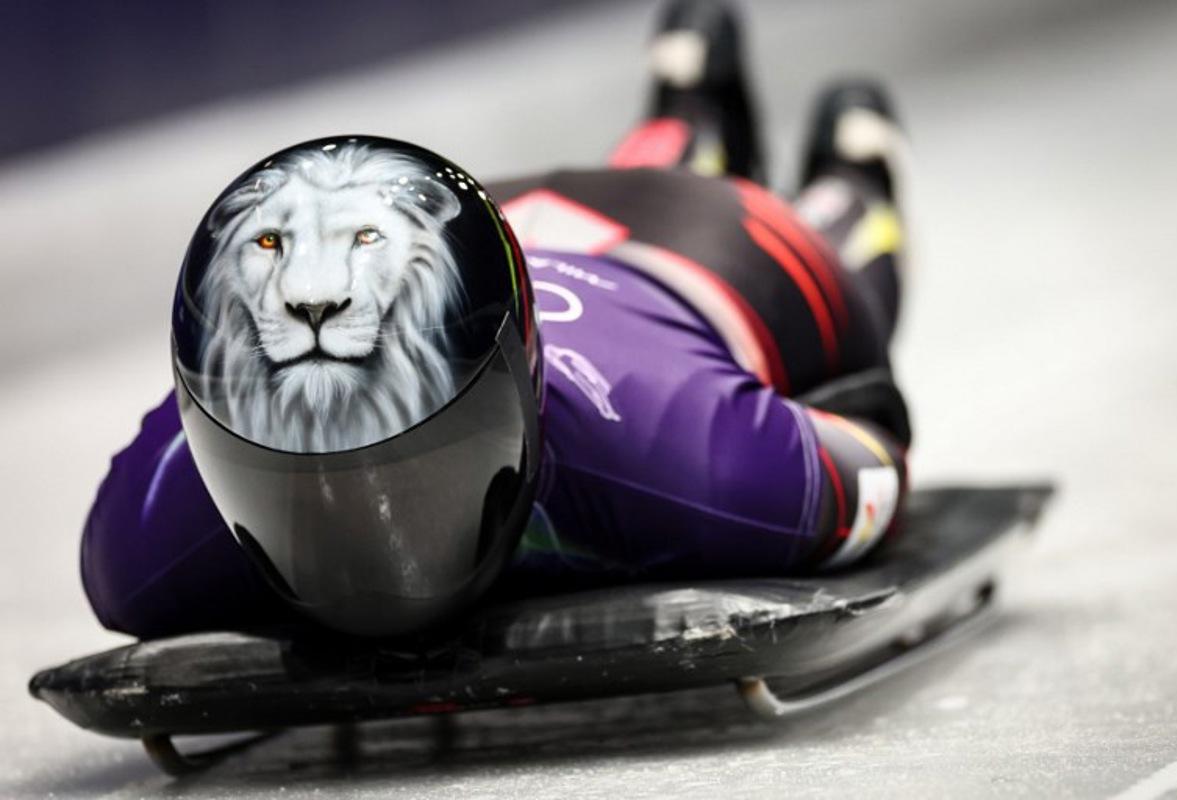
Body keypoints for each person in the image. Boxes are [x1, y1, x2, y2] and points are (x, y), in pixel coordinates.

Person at [80, 0, 913, 640]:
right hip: (487, 222)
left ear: (524, 400)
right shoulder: (147, 530)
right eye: (286, 484)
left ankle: (846, 170)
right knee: (645, 178)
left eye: (421, 473)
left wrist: (863, 415)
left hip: (708, 246)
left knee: (845, 266)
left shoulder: (699, 457)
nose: (376, 541)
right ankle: (681, 112)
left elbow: (872, 459)